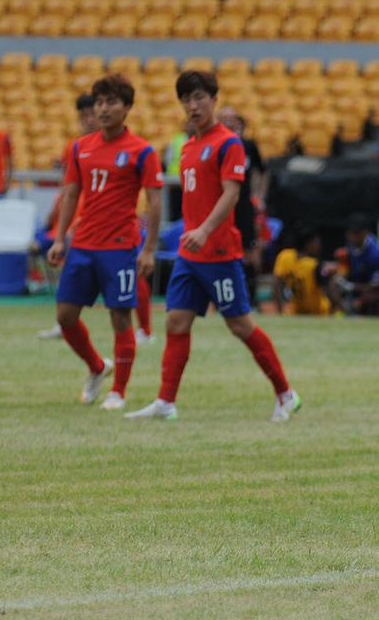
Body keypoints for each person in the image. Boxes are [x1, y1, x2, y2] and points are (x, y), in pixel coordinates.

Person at [126, 71, 300, 423]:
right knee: (175, 321)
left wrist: (205, 230)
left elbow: (233, 193)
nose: (193, 105)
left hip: (219, 253)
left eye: (199, 97)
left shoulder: (228, 143)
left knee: (240, 325)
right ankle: (165, 402)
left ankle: (286, 393)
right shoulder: (188, 146)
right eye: (186, 99)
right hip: (191, 254)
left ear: (213, 100)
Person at [47, 75, 163, 410]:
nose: (103, 108)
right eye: (99, 102)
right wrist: (59, 238)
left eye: (111, 102)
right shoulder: (79, 147)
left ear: (127, 108)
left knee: (120, 318)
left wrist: (149, 248)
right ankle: (98, 368)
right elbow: (71, 193)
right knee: (66, 316)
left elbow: (154, 201)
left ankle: (119, 392)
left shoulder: (142, 151)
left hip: (119, 247)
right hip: (82, 245)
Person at [37, 94, 156, 344]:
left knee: (133, 274)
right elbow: (70, 189)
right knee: (70, 268)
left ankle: (145, 328)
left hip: (122, 221)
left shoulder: (133, 148)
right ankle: (66, 321)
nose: (89, 120)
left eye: (91, 114)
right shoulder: (77, 146)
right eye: (84, 116)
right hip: (84, 223)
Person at [217, 106, 263, 299]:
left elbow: (261, 170)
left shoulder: (248, 145)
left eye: (232, 118)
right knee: (220, 250)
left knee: (249, 250)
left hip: (243, 205)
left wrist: (259, 195)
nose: (229, 122)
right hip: (221, 206)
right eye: (224, 118)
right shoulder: (215, 145)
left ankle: (251, 296)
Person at [341, 214, 379, 317]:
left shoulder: (376, 254)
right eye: (351, 233)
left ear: (365, 232)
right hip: (361, 282)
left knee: (370, 300)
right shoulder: (350, 247)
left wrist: (353, 287)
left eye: (356, 233)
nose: (353, 236)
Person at [273, 228, 336, 315]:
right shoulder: (315, 265)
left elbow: (277, 284)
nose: (319, 245)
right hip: (319, 312)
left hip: (296, 311)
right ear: (308, 243)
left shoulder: (285, 256)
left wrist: (280, 310)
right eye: (316, 242)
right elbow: (329, 290)